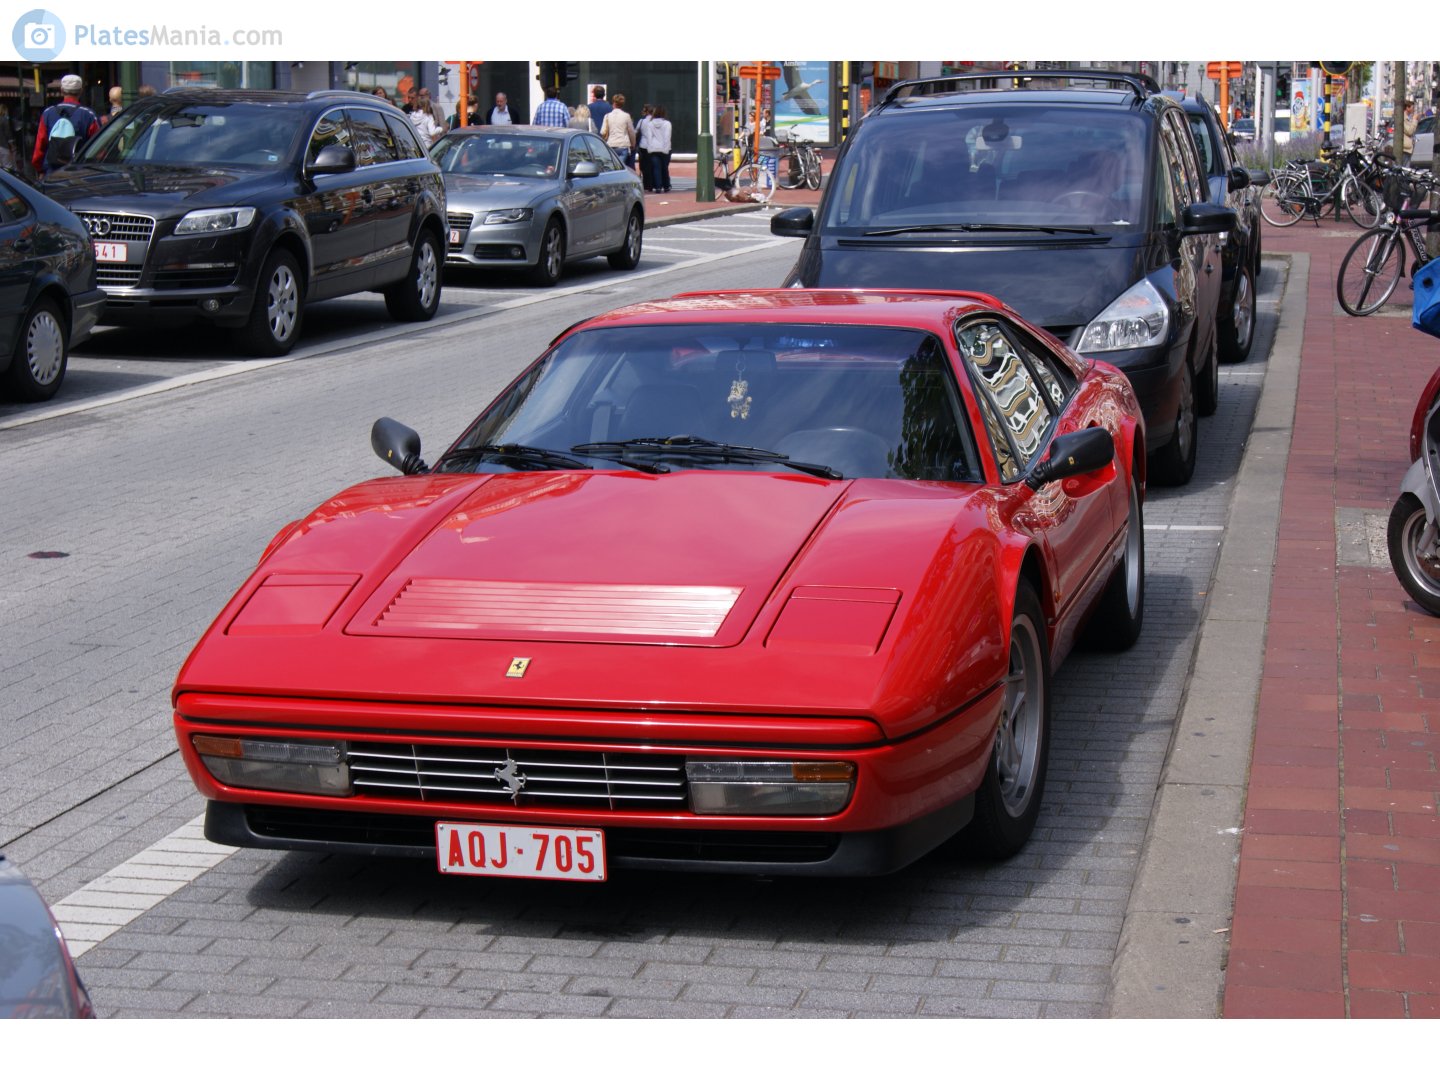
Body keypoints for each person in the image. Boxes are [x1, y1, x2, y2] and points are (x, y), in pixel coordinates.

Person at [31, 74, 100, 176]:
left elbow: (40, 145)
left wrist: (39, 169)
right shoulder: (89, 115)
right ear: (81, 91)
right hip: (79, 172)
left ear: (62, 90)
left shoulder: (47, 113)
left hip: (51, 172)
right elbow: (98, 147)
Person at [600, 92, 636, 168]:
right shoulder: (626, 116)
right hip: (623, 145)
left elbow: (603, 131)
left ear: (614, 103)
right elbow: (631, 132)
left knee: (612, 167)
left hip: (611, 144)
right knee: (621, 167)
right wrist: (633, 144)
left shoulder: (607, 116)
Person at [644, 104, 673, 193]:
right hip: (664, 148)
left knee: (656, 168)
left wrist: (649, 148)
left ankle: (657, 187)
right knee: (665, 167)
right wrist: (666, 149)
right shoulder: (667, 124)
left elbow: (649, 137)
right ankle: (666, 185)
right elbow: (667, 137)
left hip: (653, 148)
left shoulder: (650, 124)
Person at [635, 104, 654, 189]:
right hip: (652, 145)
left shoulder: (642, 121)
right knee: (651, 165)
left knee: (643, 165)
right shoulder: (654, 121)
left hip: (643, 145)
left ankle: (645, 183)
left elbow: (636, 131)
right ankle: (651, 183)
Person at [1402, 100, 1417, 166]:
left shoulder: (1407, 118)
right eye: (1412, 108)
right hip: (1405, 148)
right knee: (1404, 167)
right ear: (1407, 108)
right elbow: (1409, 131)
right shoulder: (1403, 118)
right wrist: (1414, 120)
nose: (1413, 110)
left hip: (1407, 148)